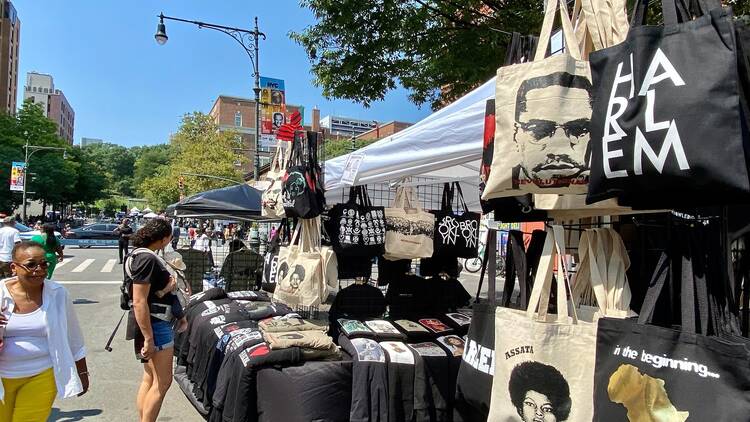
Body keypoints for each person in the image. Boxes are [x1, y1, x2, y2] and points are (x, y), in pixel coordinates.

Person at [0, 241, 89, 421]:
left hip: (42, 375)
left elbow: (73, 336)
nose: (39, 269)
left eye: (44, 264)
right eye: (31, 264)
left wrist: (82, 373)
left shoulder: (57, 293)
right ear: (14, 267)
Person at [126, 218, 186, 422]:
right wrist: (149, 338)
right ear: (163, 238)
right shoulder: (148, 259)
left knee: (150, 377)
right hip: (155, 323)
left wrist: (164, 289)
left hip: (149, 322)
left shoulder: (135, 255)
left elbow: (144, 297)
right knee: (163, 382)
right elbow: (139, 300)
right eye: (169, 237)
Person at [511, 73, 593, 190]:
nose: (560, 147)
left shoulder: (608, 183)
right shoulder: (505, 194)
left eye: (578, 129)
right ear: (516, 135)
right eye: (540, 130)